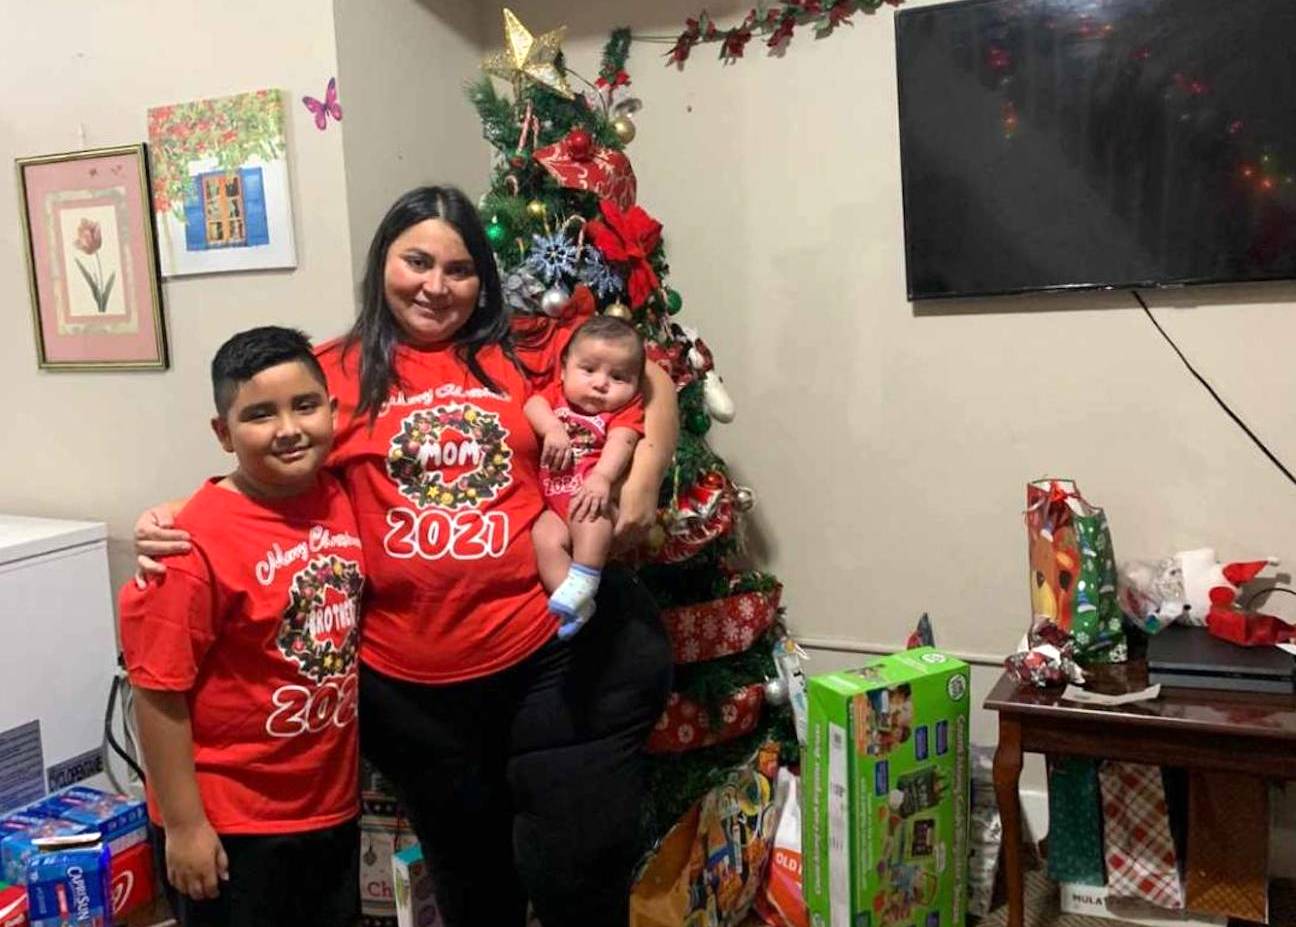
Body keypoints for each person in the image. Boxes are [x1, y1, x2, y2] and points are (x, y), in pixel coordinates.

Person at [134, 185, 677, 927]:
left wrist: (640, 478)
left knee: (571, 874)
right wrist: (177, 515)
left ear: (482, 278)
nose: (435, 285)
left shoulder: (518, 349)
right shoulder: (332, 371)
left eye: (458, 269)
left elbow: (647, 373)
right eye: (416, 260)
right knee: (470, 880)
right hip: (412, 691)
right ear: (381, 262)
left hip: (547, 655)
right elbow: (267, 437)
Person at [119, 326, 364, 927]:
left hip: (327, 805)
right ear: (223, 434)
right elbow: (157, 692)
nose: (288, 428)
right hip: (231, 820)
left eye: (304, 406)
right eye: (259, 414)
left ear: (331, 412)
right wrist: (183, 825)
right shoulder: (188, 546)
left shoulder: (340, 496)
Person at [525, 315, 646, 639]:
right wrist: (552, 428)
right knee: (543, 538)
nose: (600, 383)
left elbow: (623, 441)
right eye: (588, 369)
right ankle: (573, 600)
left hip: (589, 496)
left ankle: (585, 578)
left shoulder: (622, 412)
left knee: (593, 521)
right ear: (563, 370)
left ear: (636, 385)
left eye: (619, 377)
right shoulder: (555, 396)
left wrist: (603, 478)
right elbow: (532, 405)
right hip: (551, 506)